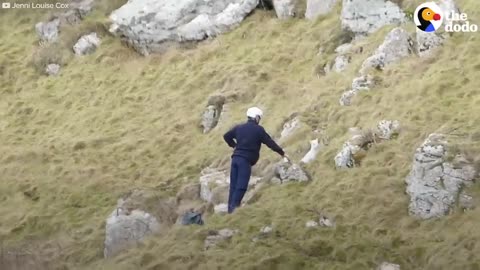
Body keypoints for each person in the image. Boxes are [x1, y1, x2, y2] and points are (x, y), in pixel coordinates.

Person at [223, 107, 288, 214]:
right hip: (245, 161)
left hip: (235, 159)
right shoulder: (258, 130)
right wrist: (282, 153)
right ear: (256, 117)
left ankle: (230, 210)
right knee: (241, 186)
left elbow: (226, 136)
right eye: (259, 117)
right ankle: (234, 211)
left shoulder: (239, 127)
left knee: (233, 186)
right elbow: (270, 143)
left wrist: (234, 146)